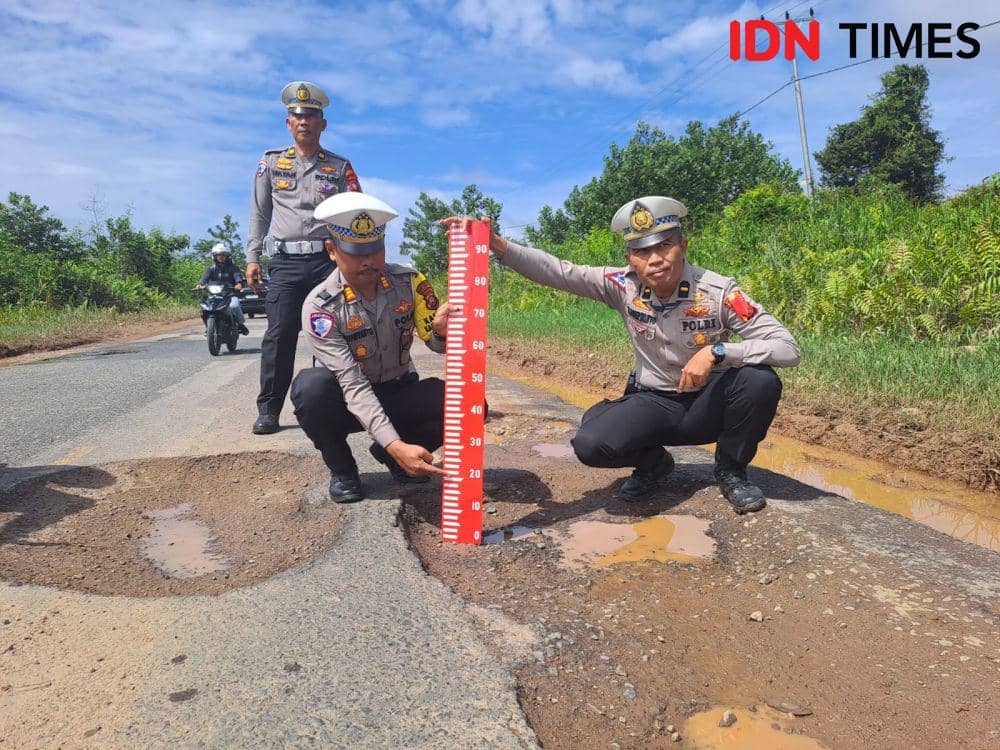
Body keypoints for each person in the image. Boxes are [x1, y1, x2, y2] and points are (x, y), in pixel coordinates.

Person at [444, 196, 800, 514]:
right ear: (630, 257)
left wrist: (719, 351)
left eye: (666, 246)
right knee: (591, 444)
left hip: (710, 402)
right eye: (643, 251)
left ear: (684, 246)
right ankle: (654, 463)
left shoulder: (719, 291)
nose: (656, 259)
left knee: (760, 380)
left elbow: (787, 347)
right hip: (655, 403)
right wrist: (498, 245)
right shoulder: (622, 285)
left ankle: (732, 470)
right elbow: (560, 273)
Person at [290, 191, 457, 503]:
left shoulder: (409, 281)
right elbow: (352, 385)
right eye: (355, 252)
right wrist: (397, 442)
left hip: (397, 389)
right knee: (310, 390)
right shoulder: (319, 307)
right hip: (346, 400)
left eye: (375, 249)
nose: (368, 260)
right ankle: (343, 471)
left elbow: (436, 346)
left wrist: (440, 332)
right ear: (332, 250)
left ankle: (395, 458)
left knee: (464, 404)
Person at [246, 81, 363, 435]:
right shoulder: (270, 163)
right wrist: (252, 256)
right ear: (288, 122)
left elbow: (356, 214)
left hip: (328, 263)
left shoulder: (340, 168)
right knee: (279, 337)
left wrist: (354, 260)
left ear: (322, 123)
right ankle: (269, 409)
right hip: (284, 263)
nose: (304, 122)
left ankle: (330, 405)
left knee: (331, 334)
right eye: (297, 116)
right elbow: (259, 214)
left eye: (311, 115)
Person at [196, 243, 250, 335]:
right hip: (214, 296)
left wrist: (239, 284)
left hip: (229, 294)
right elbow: (204, 280)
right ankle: (208, 328)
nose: (221, 257)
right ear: (214, 256)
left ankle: (240, 324)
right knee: (204, 309)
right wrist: (200, 285)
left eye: (223, 255)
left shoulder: (233, 268)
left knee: (234, 306)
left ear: (227, 256)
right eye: (218, 255)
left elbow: (238, 278)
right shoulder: (210, 269)